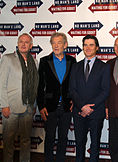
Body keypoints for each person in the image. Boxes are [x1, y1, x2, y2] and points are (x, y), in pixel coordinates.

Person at [70, 35, 110, 162]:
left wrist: (90, 107)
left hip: (96, 112)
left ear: (96, 48)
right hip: (79, 112)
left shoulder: (104, 67)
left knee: (95, 144)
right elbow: (72, 89)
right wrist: (82, 106)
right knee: (79, 143)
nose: (88, 48)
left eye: (91, 45)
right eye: (85, 45)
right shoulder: (75, 66)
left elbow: (105, 90)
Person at [0, 33, 39, 162]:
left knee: (26, 140)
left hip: (28, 107)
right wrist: (4, 105)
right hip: (11, 107)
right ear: (17, 43)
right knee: (9, 140)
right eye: (21, 41)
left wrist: (34, 105)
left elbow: (35, 86)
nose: (23, 44)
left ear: (31, 46)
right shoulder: (8, 58)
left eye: (26, 42)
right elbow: (2, 84)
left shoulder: (35, 62)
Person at [37, 32, 76, 162]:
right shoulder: (44, 61)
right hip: (49, 107)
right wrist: (41, 106)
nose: (56, 45)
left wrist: (73, 101)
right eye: (53, 42)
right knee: (49, 137)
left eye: (59, 42)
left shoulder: (72, 60)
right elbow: (40, 86)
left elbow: (74, 83)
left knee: (63, 137)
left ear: (65, 45)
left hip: (66, 106)